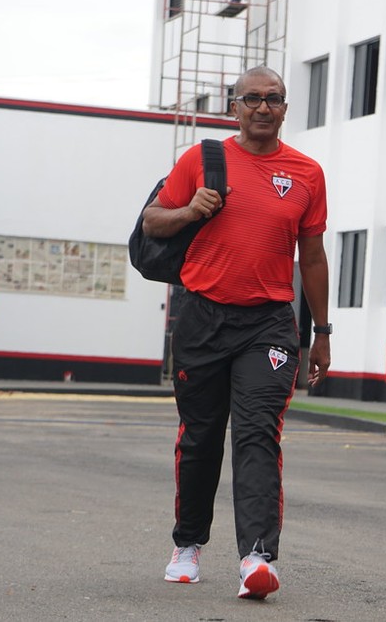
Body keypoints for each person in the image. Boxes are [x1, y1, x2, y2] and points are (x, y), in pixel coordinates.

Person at [142, 65, 331, 600]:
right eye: (252, 99)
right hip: (202, 316)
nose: (263, 107)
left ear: (285, 108)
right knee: (201, 436)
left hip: (268, 323)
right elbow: (152, 221)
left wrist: (321, 332)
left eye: (274, 98)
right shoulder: (202, 160)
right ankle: (187, 545)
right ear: (234, 108)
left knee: (257, 434)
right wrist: (188, 210)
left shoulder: (307, 173)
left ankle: (256, 559)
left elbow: (313, 258)